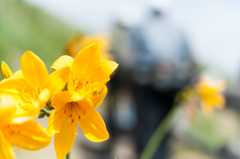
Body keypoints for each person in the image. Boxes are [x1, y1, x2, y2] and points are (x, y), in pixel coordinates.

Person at [110, 1, 196, 158]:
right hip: (173, 89)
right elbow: (190, 62)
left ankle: (144, 153)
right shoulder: (179, 31)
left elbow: (129, 58)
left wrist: (126, 84)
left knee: (145, 129)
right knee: (162, 132)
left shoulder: (141, 26)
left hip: (147, 85)